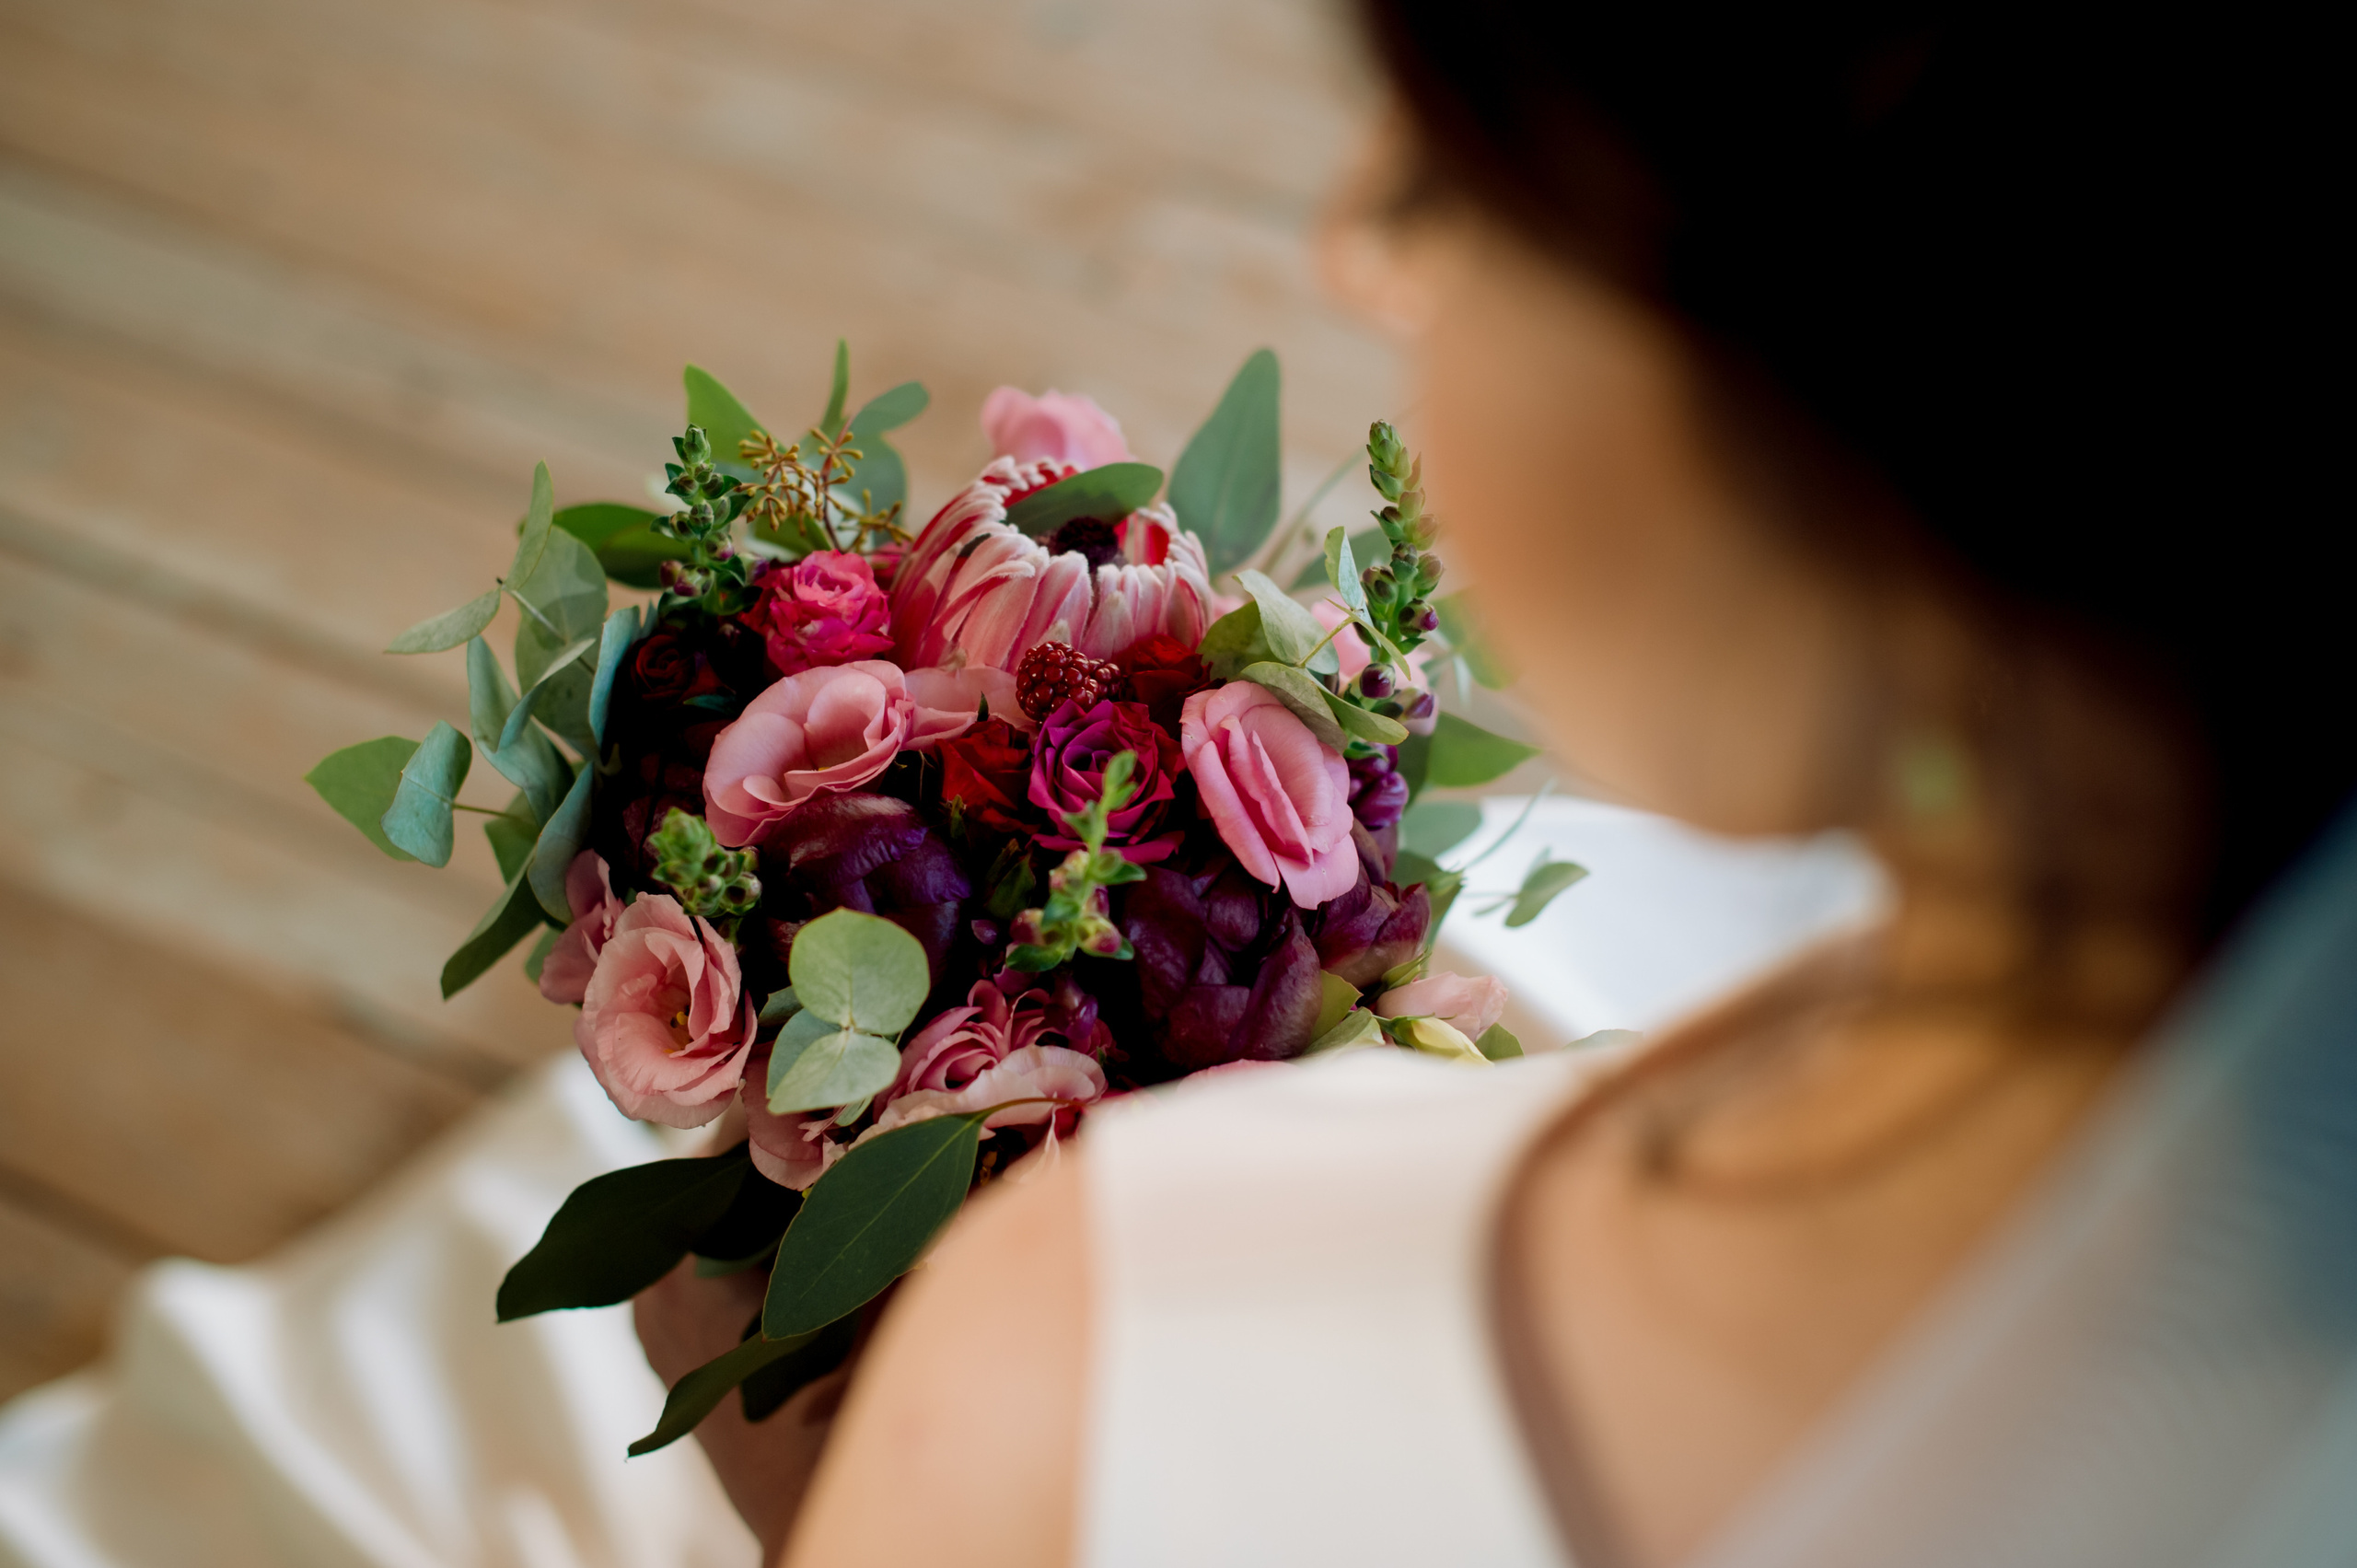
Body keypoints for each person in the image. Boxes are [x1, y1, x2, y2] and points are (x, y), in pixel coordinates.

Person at [634, 6, 2350, 1564]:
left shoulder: (1131, 1326)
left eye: (1461, 178)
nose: (1361, 250)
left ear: (1852, 364)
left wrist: (871, 1509)